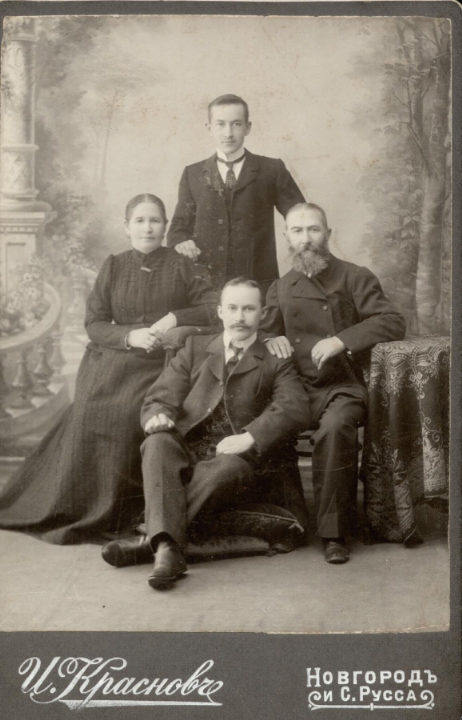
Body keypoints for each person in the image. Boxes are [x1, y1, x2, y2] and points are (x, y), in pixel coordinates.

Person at [0, 194, 217, 544]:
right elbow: (94, 322)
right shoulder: (114, 265)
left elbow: (213, 307)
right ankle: (84, 506)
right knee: (90, 410)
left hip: (161, 363)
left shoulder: (181, 265)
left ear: (165, 226)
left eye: (155, 220)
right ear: (126, 227)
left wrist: (175, 318)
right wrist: (129, 336)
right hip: (116, 357)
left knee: (127, 413)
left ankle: (121, 510)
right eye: (140, 221)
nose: (147, 227)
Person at [102, 278, 311, 589]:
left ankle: (154, 541)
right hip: (190, 451)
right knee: (157, 443)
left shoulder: (274, 356)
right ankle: (167, 547)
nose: (239, 317)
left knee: (224, 468)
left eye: (249, 309)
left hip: (243, 460)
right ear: (220, 312)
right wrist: (158, 415)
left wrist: (250, 437)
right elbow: (160, 395)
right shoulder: (195, 348)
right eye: (232, 308)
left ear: (263, 314)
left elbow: (295, 407)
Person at [261, 203, 406, 564]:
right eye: (297, 231)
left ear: (328, 234)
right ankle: (290, 523)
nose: (306, 238)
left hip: (340, 385)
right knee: (269, 424)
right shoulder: (280, 286)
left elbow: (392, 321)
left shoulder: (354, 276)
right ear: (287, 237)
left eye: (313, 229)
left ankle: (334, 533)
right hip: (294, 387)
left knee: (336, 427)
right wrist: (270, 339)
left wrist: (341, 339)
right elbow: (263, 332)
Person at [167, 94, 305, 292]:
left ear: (247, 127)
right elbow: (178, 227)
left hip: (257, 284)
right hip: (205, 286)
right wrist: (182, 241)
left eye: (236, 124)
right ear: (209, 128)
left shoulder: (271, 169)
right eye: (220, 124)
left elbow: (302, 217)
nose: (228, 133)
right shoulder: (193, 174)